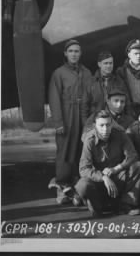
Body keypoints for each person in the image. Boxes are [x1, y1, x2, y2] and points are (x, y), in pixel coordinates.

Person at [75, 110, 140, 217]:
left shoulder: (120, 135)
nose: (105, 129)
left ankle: (126, 204)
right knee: (82, 185)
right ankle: (97, 208)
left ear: (112, 124)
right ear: (95, 126)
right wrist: (103, 177)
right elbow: (84, 169)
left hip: (117, 178)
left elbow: (132, 155)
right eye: (101, 125)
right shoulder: (90, 140)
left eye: (108, 125)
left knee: (139, 166)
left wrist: (116, 169)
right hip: (99, 182)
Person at [48, 39, 92, 205]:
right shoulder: (58, 73)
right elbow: (54, 99)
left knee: (81, 152)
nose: (74, 54)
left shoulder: (87, 73)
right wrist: (58, 122)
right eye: (71, 51)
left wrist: (89, 122)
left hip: (83, 116)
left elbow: (91, 95)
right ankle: (61, 188)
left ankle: (77, 190)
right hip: (66, 116)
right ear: (65, 54)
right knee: (64, 152)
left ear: (81, 54)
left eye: (77, 51)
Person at [83, 51, 131, 120]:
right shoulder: (90, 82)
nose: (109, 66)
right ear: (99, 64)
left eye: (111, 63)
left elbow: (127, 103)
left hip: (115, 122)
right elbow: (84, 107)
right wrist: (86, 125)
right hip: (95, 122)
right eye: (106, 63)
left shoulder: (119, 81)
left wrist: (129, 122)